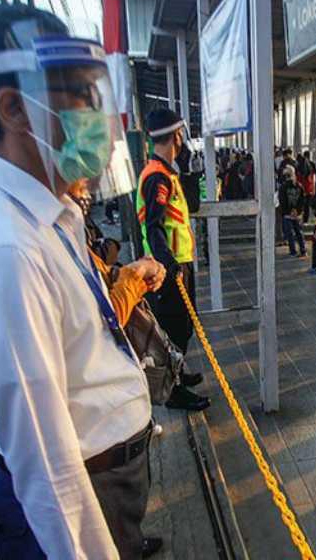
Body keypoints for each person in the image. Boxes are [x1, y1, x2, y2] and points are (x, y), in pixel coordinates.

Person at [0, 2, 168, 559]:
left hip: (109, 481)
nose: (98, 119)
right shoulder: (5, 250)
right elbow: (45, 457)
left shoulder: (51, 215)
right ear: (13, 107)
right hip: (80, 495)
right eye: (81, 97)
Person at [135, 107, 209, 412]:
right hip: (168, 268)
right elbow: (153, 228)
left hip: (178, 263)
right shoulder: (157, 177)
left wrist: (190, 171)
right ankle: (174, 390)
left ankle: (177, 374)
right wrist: (169, 264)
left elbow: (191, 206)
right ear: (177, 135)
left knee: (183, 325)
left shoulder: (167, 173)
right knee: (173, 328)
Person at [278, 165, 306, 257]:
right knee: (299, 232)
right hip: (297, 214)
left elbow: (282, 201)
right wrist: (298, 210)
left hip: (287, 214)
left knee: (290, 233)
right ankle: (303, 250)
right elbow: (302, 200)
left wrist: (287, 211)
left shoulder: (283, 187)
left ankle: (293, 251)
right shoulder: (299, 186)